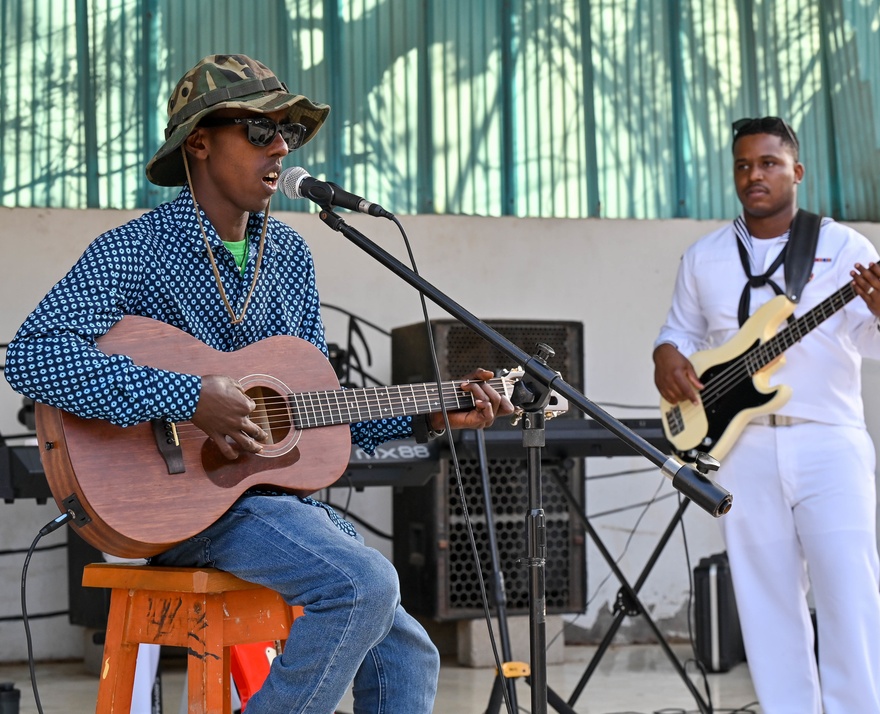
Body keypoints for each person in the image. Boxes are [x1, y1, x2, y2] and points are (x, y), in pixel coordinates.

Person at [4, 54, 513, 713]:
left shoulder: (291, 255)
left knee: (408, 647)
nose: (280, 148)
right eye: (258, 131)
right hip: (179, 504)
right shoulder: (135, 249)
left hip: (267, 504)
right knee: (361, 584)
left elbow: (309, 413)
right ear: (199, 143)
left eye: (289, 134)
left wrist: (433, 415)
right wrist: (188, 398)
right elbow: (35, 356)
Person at [653, 116, 880, 713]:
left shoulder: (844, 247)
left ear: (796, 171)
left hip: (829, 441)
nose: (754, 175)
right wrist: (665, 356)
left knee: (849, 596)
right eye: (743, 165)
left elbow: (878, 343)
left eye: (769, 163)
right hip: (740, 449)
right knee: (766, 600)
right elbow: (679, 332)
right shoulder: (705, 256)